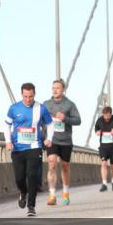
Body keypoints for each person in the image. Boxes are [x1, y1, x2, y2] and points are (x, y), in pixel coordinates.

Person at [4, 83, 53, 216]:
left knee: (32, 176)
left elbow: (50, 123)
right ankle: (23, 192)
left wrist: (49, 138)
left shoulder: (41, 108)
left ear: (34, 94)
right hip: (17, 148)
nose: (28, 99)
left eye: (30, 96)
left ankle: (31, 206)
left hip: (34, 146)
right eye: (25, 96)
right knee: (19, 178)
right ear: (22, 95)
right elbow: (7, 125)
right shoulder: (14, 108)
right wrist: (8, 141)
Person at [43, 78, 81, 206]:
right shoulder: (46, 104)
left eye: (58, 88)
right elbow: (40, 120)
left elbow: (78, 120)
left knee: (65, 167)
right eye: (53, 88)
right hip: (52, 139)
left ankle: (65, 192)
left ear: (63, 90)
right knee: (52, 164)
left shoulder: (70, 104)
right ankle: (52, 195)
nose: (55, 90)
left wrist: (65, 118)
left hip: (66, 140)